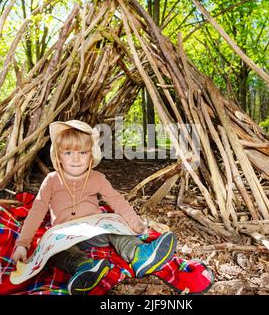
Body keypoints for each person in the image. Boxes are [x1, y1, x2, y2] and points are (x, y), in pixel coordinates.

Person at [11, 120, 177, 294]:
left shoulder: (97, 177)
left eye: (82, 152)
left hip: (95, 229)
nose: (76, 158)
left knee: (115, 226)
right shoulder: (52, 180)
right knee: (53, 250)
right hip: (64, 234)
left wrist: (136, 224)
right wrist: (22, 244)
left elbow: (117, 201)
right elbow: (37, 210)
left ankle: (138, 254)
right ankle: (84, 268)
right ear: (58, 156)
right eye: (68, 152)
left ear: (91, 155)